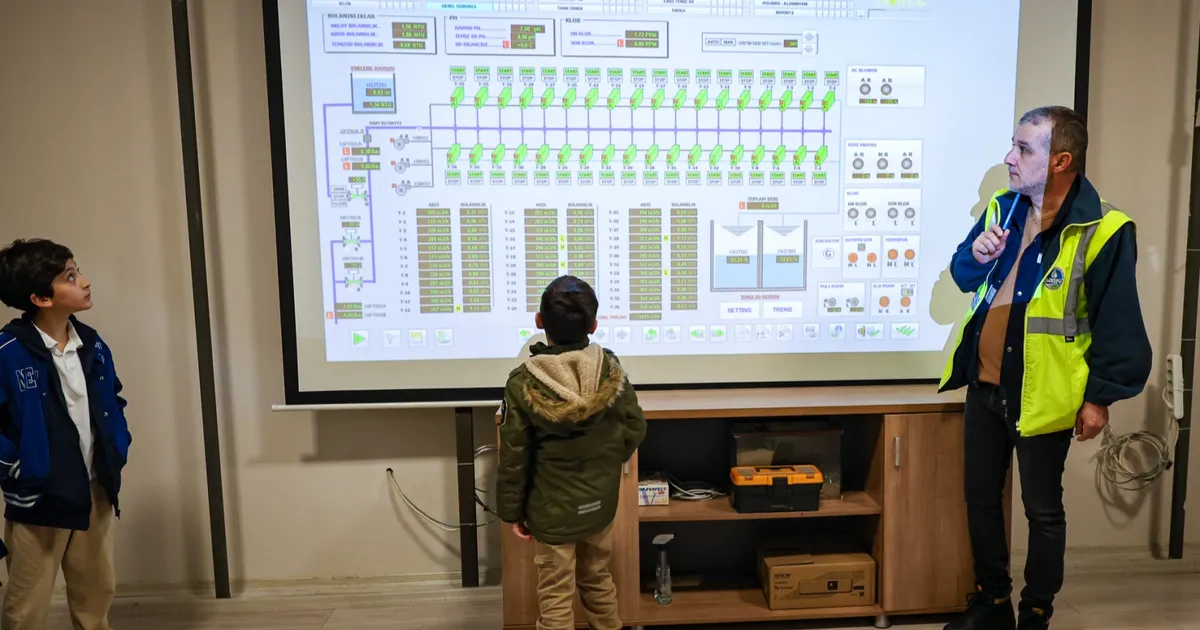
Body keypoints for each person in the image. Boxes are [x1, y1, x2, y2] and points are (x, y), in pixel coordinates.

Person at [938, 106, 1152, 630]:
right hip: (986, 385)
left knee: (1042, 511)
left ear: (1060, 161)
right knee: (981, 500)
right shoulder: (1003, 208)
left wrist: (1099, 398)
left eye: (1023, 149)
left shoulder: (1104, 229)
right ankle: (992, 604)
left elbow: (1119, 321)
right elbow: (963, 275)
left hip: (1044, 394)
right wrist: (978, 256)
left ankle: (1035, 612)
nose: (1009, 158)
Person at [497, 275, 647, 630]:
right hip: (600, 506)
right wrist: (605, 464)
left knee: (555, 596)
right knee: (598, 579)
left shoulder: (523, 382)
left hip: (551, 514)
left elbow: (514, 457)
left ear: (539, 321)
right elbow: (635, 427)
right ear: (593, 325)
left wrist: (512, 511)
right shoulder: (610, 369)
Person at [0, 239, 132, 630]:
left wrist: (117, 445)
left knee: (95, 597)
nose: (85, 282)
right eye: (70, 277)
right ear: (40, 298)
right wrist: (19, 469)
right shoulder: (8, 352)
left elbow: (113, 398)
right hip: (40, 498)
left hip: (94, 489)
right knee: (26, 607)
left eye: (78, 271)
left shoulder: (92, 343)